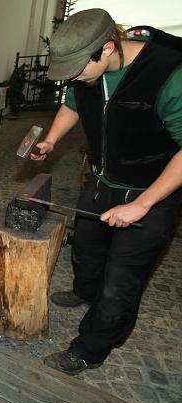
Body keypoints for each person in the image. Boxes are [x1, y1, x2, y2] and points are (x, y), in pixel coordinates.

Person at [30, 9, 182, 375]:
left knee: (120, 281)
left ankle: (90, 348)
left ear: (108, 48)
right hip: (101, 183)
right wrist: (50, 140)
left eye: (79, 70)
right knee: (86, 248)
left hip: (152, 191)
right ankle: (84, 291)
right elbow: (73, 106)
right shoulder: (84, 71)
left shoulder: (169, 73)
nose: (75, 78)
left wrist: (142, 205)